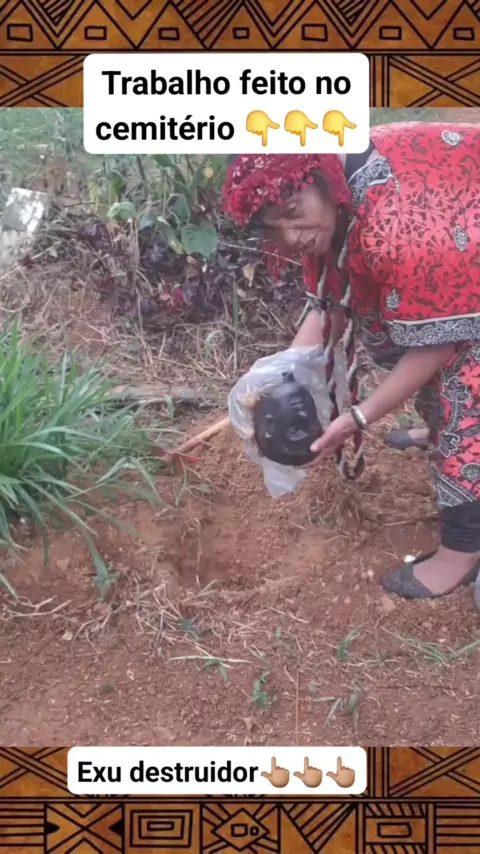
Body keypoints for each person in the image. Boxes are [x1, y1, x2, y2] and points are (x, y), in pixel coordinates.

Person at [222, 122, 480, 600]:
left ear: (318, 178)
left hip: (459, 263)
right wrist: (283, 373)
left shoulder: (397, 220)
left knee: (464, 387)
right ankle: (440, 430)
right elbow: (331, 302)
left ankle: (463, 551)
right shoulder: (336, 193)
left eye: (293, 213)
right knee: (428, 336)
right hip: (454, 251)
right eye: (275, 229)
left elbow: (440, 343)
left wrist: (359, 417)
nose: (292, 235)